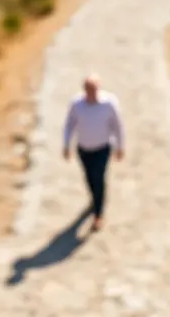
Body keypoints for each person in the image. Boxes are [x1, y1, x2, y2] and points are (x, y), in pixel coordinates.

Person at [62, 74, 125, 231]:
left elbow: (118, 125)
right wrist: (66, 144)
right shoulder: (77, 104)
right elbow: (69, 124)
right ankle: (95, 199)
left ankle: (98, 214)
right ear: (84, 90)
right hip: (83, 148)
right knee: (89, 178)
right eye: (89, 89)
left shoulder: (109, 103)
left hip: (102, 148)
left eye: (94, 89)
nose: (92, 92)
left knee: (99, 178)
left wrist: (120, 146)